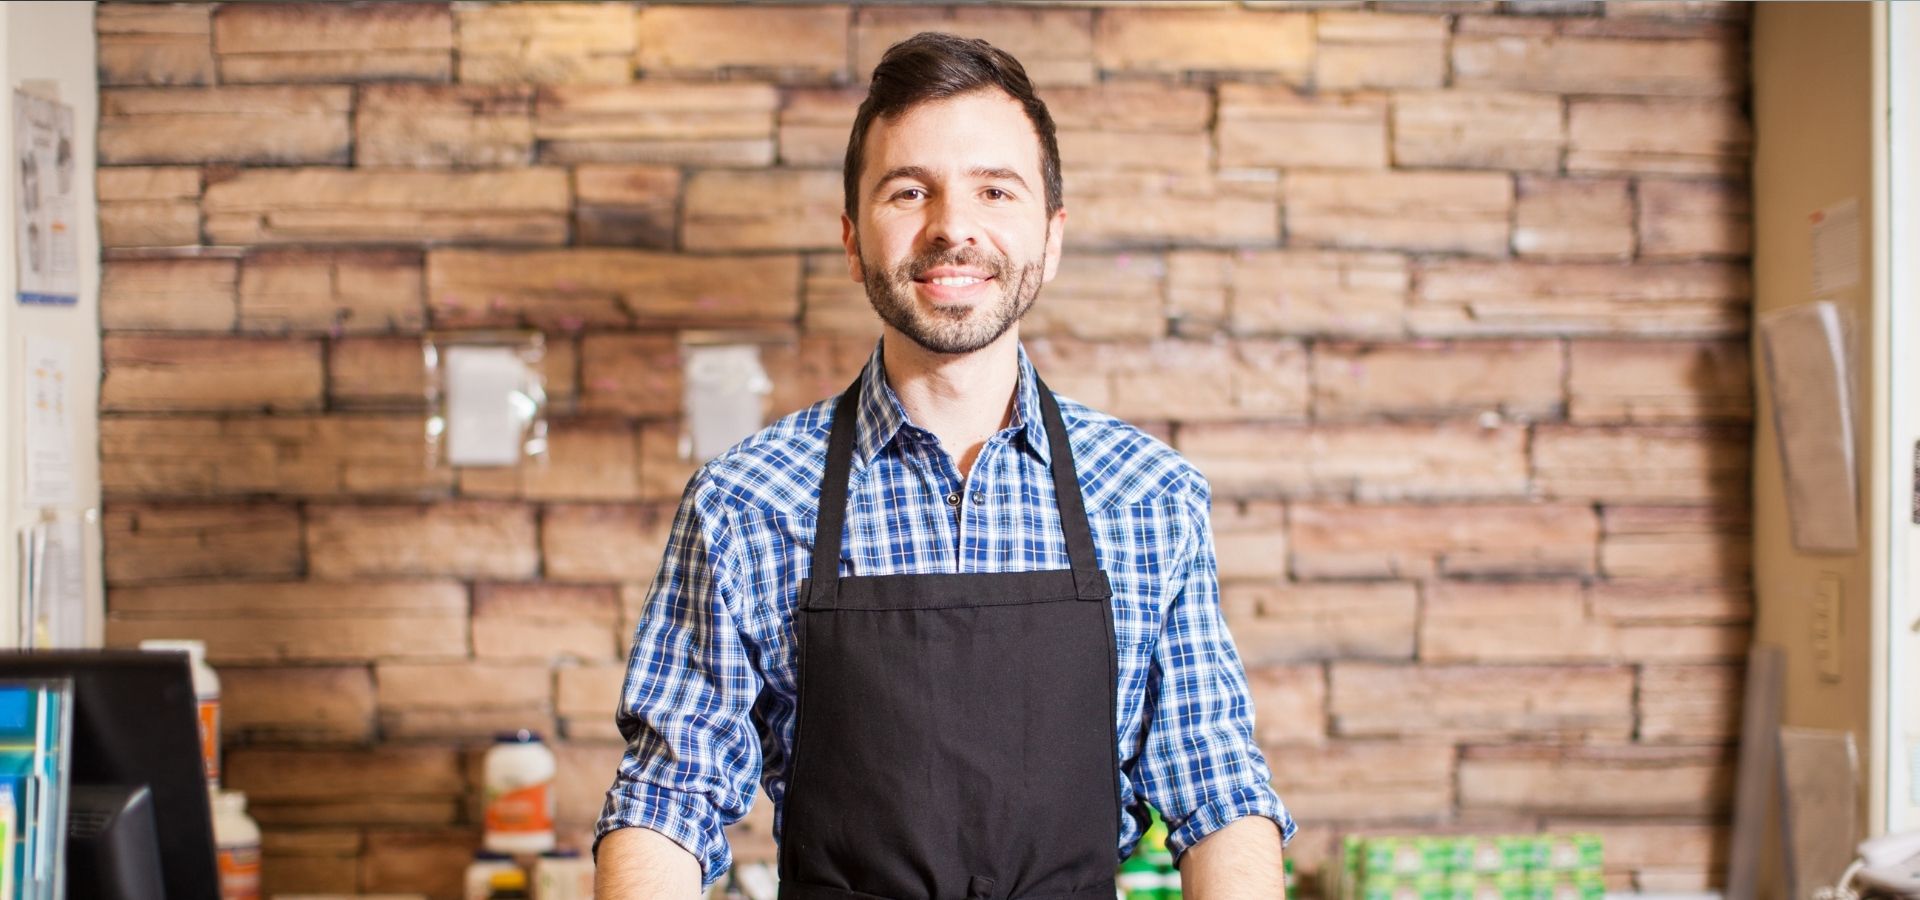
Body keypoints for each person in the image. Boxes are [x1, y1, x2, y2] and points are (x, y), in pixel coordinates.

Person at [595, 31, 1295, 900]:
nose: (952, 227)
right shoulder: (745, 502)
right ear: (853, 241)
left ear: (1052, 237)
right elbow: (669, 798)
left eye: (995, 190)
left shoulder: (1149, 495)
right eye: (909, 191)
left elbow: (1218, 792)